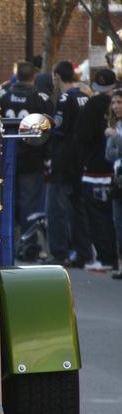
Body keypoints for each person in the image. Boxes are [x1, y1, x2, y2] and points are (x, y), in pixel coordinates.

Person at [0, 60, 53, 261]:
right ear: (34, 77)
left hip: (7, 159)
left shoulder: (3, 95)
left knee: (7, 202)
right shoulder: (40, 98)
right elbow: (49, 128)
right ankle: (29, 246)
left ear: (16, 75)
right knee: (30, 205)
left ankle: (7, 245)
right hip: (32, 158)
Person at [45, 60, 92, 267]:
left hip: (63, 161)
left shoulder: (65, 98)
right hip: (79, 160)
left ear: (57, 75)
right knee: (78, 209)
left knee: (55, 209)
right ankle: (83, 251)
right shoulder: (83, 96)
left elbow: (59, 129)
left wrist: (49, 123)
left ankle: (59, 252)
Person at [77, 68, 118, 271]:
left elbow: (82, 136)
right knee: (111, 218)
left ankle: (106, 257)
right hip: (113, 170)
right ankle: (112, 257)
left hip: (95, 169)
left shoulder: (91, 105)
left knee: (98, 217)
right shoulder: (109, 110)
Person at [105, 87, 122, 278]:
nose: (116, 106)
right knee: (118, 224)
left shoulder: (114, 131)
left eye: (119, 102)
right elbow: (109, 154)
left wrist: (116, 138)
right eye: (114, 102)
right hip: (117, 179)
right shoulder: (114, 125)